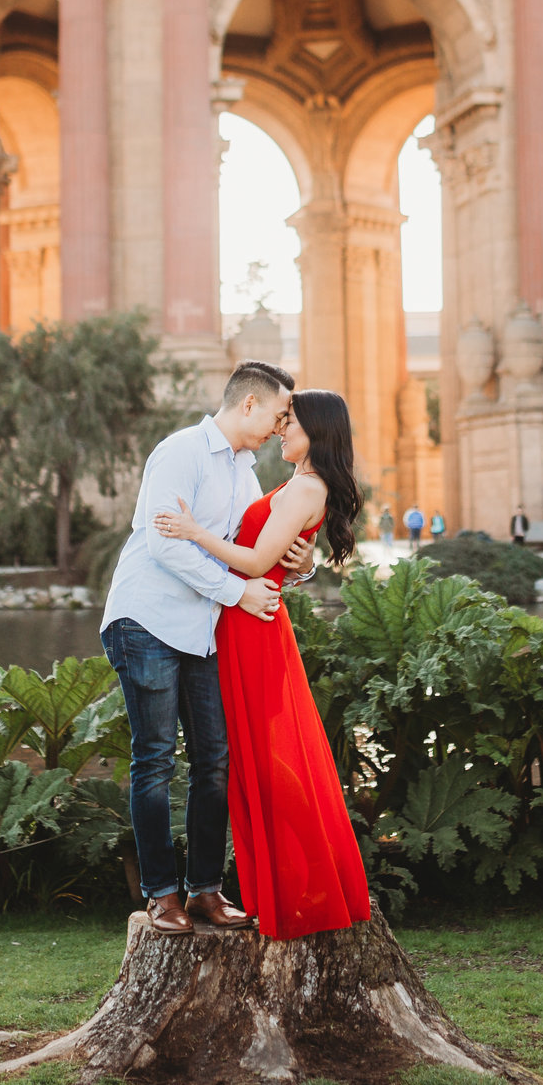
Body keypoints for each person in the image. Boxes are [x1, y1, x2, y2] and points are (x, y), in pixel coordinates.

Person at [156, 389, 373, 940]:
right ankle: (280, 884)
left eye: (291, 421)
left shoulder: (306, 486)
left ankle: (300, 888)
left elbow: (254, 561)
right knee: (249, 758)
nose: (281, 428)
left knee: (266, 758)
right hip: (242, 622)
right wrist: (297, 568)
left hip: (252, 629)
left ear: (317, 430)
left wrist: (194, 533)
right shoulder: (296, 484)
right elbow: (270, 557)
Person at [99, 358, 296, 935]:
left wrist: (299, 568)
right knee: (155, 758)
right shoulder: (181, 452)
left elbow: (253, 549)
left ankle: (205, 890)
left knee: (214, 760)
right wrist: (237, 593)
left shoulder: (244, 471)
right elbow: (167, 547)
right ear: (249, 404)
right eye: (280, 414)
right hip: (147, 620)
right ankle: (162, 896)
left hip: (201, 628)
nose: (281, 428)